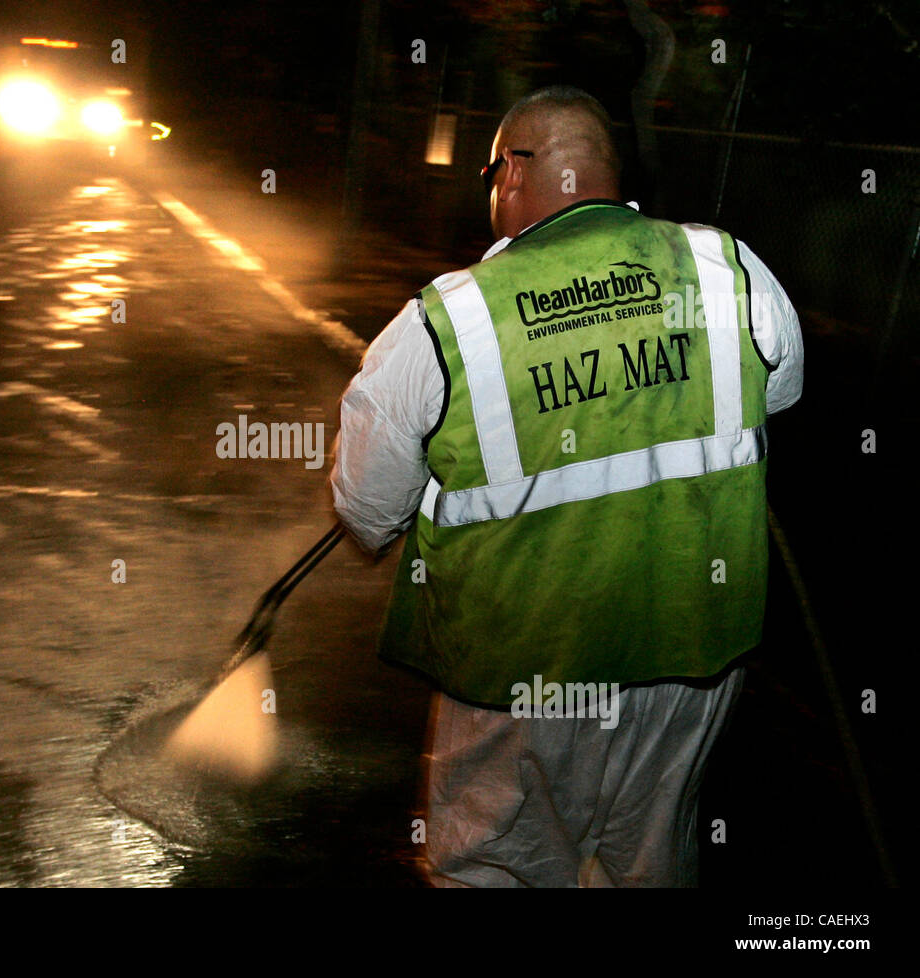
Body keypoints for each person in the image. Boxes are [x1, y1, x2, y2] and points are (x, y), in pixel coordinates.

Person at [329, 86, 803, 887]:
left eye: (490, 170)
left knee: (498, 865)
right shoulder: (727, 268)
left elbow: (367, 507)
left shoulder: (449, 321)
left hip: (523, 673)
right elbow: (777, 391)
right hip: (690, 658)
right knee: (646, 862)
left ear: (514, 170)